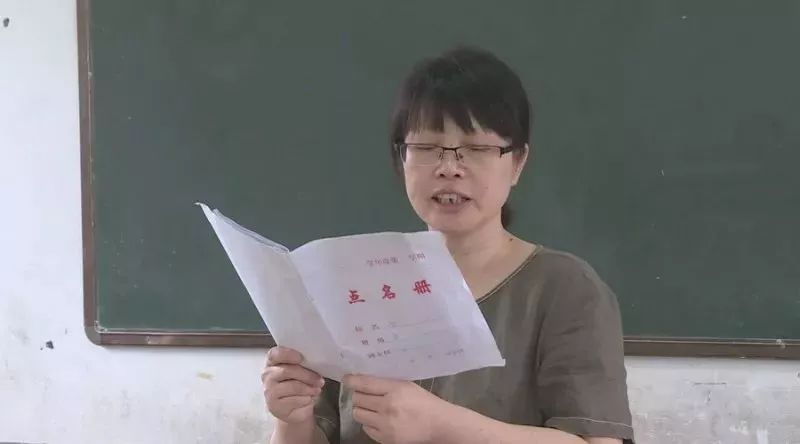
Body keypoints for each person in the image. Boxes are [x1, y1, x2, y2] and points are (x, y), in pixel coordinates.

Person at [261, 46, 635, 444]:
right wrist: (291, 418)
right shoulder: (358, 283)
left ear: (517, 162)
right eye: (426, 148)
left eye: (477, 148)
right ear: (401, 159)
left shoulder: (565, 289)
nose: (449, 168)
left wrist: (441, 423)